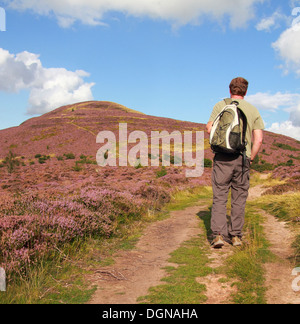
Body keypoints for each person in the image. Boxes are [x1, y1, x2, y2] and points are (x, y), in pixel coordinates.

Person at [206, 77, 264, 248]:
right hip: (242, 158)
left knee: (220, 197)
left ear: (230, 89)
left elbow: (209, 128)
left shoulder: (221, 105)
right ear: (246, 91)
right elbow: (259, 139)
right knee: (239, 198)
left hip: (222, 158)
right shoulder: (253, 110)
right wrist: (251, 157)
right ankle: (236, 236)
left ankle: (218, 236)